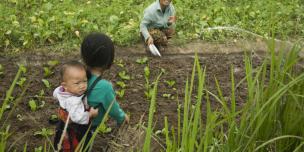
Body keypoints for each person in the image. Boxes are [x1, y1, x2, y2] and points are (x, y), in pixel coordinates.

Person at [80, 32, 129, 150]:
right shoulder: (104, 87)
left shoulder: (75, 75)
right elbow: (113, 110)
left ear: (83, 57)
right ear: (109, 61)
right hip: (85, 130)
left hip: (67, 125)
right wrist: (123, 118)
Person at [53, 60, 99, 152]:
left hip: (63, 123)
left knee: (62, 140)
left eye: (85, 81)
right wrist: (90, 114)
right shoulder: (73, 101)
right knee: (82, 143)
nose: (82, 86)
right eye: (77, 83)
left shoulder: (60, 90)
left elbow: (55, 94)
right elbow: (78, 118)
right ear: (65, 85)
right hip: (76, 128)